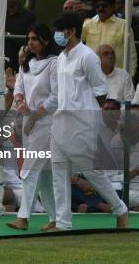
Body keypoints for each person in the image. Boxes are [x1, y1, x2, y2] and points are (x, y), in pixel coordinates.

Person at [50, 12, 128, 231]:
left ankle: (120, 209)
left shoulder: (87, 56)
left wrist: (99, 119)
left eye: (60, 30)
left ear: (71, 31)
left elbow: (101, 92)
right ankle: (63, 222)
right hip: (60, 121)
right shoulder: (61, 57)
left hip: (82, 122)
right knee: (58, 170)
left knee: (92, 171)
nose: (57, 35)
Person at [5, 23, 58, 231]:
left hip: (46, 121)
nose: (30, 43)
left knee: (28, 169)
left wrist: (36, 115)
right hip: (29, 120)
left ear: (45, 40)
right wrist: (20, 102)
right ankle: (55, 219)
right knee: (44, 174)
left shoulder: (54, 63)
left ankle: (23, 217)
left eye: (34, 39)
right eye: (28, 39)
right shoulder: (26, 64)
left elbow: (55, 96)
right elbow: (19, 88)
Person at [82, 0, 137, 76]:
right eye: (98, 6)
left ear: (113, 7)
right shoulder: (88, 24)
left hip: (116, 76)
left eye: (104, 6)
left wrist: (131, 75)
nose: (101, 8)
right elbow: (77, 46)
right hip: (93, 75)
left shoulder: (123, 25)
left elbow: (131, 53)